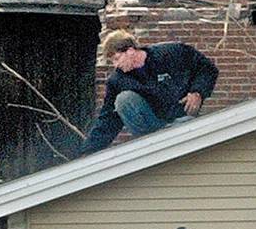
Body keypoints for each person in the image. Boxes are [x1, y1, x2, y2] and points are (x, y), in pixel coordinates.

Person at [80, 29, 218, 155]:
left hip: (182, 120)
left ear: (130, 51)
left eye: (116, 59)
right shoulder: (117, 80)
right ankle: (148, 143)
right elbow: (107, 118)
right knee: (123, 99)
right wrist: (88, 151)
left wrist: (197, 92)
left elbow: (207, 68)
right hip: (152, 126)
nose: (116, 65)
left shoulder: (171, 53)